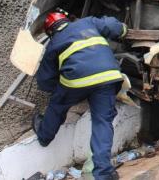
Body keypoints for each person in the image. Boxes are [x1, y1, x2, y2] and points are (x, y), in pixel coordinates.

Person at [33, 10, 127, 180]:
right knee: (102, 122)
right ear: (67, 19)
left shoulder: (53, 44)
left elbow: (45, 82)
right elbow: (113, 26)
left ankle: (44, 136)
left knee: (57, 104)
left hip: (76, 82)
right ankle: (103, 173)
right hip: (108, 76)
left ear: (50, 31)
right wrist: (123, 30)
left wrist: (59, 88)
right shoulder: (87, 22)